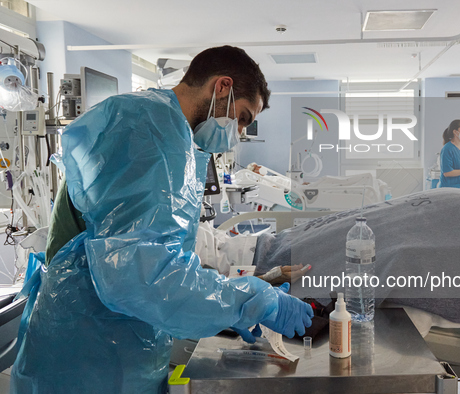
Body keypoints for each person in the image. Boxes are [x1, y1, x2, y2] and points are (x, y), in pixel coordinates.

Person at [11, 46, 313, 394]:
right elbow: (139, 276)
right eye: (242, 117)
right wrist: (248, 302)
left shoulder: (167, 131)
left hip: (116, 341)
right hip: (88, 353)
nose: (240, 133)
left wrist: (227, 309)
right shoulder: (148, 132)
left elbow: (158, 251)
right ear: (222, 87)